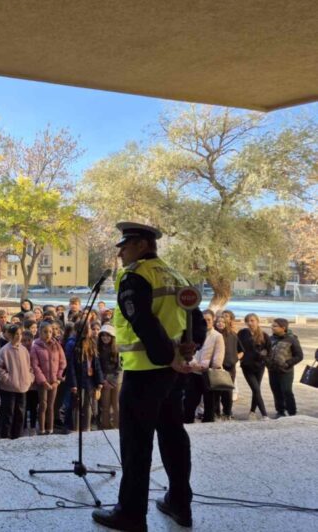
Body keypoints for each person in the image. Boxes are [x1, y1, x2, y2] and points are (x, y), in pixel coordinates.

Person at [92, 222, 205, 532]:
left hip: (145, 372)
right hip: (172, 374)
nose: (120, 253)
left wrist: (168, 356)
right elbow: (197, 319)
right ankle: (179, 503)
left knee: (136, 444)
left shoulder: (136, 275)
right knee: (173, 435)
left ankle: (130, 514)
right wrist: (188, 350)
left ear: (142, 245)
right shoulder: (176, 275)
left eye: (125, 246)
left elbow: (143, 321)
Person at [0, 324, 34, 439]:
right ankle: (6, 437)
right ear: (10, 335)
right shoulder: (4, 350)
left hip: (22, 387)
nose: (19, 336)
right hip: (9, 388)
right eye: (16, 334)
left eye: (20, 334)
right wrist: (8, 379)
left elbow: (29, 367)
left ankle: (18, 436)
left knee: (20, 414)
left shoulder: (24, 350)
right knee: (8, 414)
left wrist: (29, 378)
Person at [183, 310, 223, 424]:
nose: (207, 322)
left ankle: (208, 424)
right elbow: (190, 352)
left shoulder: (217, 336)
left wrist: (209, 366)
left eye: (209, 320)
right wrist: (193, 363)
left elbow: (219, 355)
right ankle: (188, 422)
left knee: (209, 403)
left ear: (213, 320)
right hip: (194, 372)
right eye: (204, 320)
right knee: (190, 401)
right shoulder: (195, 333)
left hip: (209, 374)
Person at [29, 321, 66, 435]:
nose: (48, 334)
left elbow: (62, 362)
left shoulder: (57, 345)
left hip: (54, 381)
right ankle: (41, 429)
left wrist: (58, 379)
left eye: (50, 332)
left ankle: (50, 429)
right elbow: (35, 365)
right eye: (45, 332)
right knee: (43, 405)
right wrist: (43, 381)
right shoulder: (35, 346)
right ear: (40, 332)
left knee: (51, 405)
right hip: (43, 382)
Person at [267, 318, 303, 418]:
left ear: (283, 328)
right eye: (272, 325)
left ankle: (292, 413)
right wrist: (266, 362)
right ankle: (280, 411)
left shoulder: (292, 339)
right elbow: (266, 351)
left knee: (287, 391)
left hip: (286, 371)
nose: (272, 327)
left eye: (275, 326)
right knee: (276, 391)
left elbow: (299, 356)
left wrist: (287, 364)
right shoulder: (270, 339)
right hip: (272, 370)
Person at [238, 313, 271, 420]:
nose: (250, 323)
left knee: (256, 390)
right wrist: (239, 357)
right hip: (247, 366)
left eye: (252, 320)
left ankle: (252, 412)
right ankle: (265, 415)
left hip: (259, 366)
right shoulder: (242, 333)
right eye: (247, 321)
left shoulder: (264, 335)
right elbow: (237, 346)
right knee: (256, 389)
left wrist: (264, 359)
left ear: (257, 321)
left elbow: (269, 351)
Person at [97, 325, 121, 429]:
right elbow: (97, 366)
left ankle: (117, 426)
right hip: (104, 379)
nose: (105, 337)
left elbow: (120, 366)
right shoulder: (98, 349)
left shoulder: (117, 349)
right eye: (103, 335)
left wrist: (114, 380)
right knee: (105, 405)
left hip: (116, 380)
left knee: (116, 405)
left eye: (108, 335)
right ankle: (105, 426)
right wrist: (103, 380)